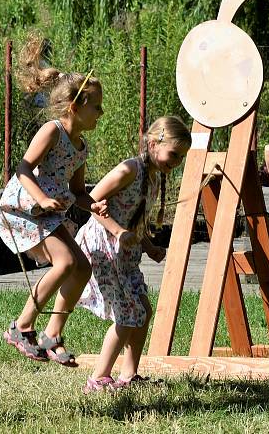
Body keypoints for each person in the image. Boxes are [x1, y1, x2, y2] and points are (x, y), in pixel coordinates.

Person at [0, 36, 109, 366]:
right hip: (24, 209)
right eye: (96, 106)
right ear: (75, 105)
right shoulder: (53, 130)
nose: (101, 112)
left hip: (49, 212)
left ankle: (52, 334)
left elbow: (76, 191)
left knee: (81, 267)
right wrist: (43, 198)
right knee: (66, 264)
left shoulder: (80, 147)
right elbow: (24, 168)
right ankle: (22, 326)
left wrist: (93, 205)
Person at [76, 116, 192, 393]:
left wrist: (149, 247)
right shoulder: (129, 169)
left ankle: (129, 375)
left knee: (143, 309)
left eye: (181, 159)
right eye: (173, 154)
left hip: (125, 252)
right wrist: (117, 231)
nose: (175, 163)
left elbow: (134, 219)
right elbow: (90, 201)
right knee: (128, 312)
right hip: (103, 246)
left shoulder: (151, 177)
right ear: (153, 144)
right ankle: (99, 379)